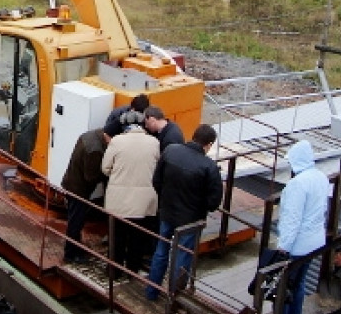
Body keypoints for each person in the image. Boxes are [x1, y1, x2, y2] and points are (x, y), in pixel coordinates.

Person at [146, 124, 223, 301]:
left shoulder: (171, 151)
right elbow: (213, 202)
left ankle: (152, 291)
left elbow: (156, 180)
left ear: (193, 136)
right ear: (209, 144)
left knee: (161, 250)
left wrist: (165, 200)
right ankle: (174, 297)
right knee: (182, 256)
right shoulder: (208, 166)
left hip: (167, 212)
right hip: (191, 219)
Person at [275, 139, 329, 314]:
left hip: (297, 245)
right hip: (315, 242)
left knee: (283, 290)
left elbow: (292, 219)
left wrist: (283, 247)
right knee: (298, 286)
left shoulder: (297, 184)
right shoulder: (321, 178)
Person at [101, 123, 160, 279]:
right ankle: (132, 270)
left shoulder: (117, 141)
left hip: (118, 199)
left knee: (117, 236)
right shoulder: (154, 142)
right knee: (137, 238)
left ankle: (114, 271)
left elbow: (105, 168)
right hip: (143, 201)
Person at [61, 127, 113, 263]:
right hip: (78, 191)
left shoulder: (91, 135)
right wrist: (106, 173)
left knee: (75, 220)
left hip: (71, 183)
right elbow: (91, 176)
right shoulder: (95, 150)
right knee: (75, 222)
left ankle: (75, 248)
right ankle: (71, 254)